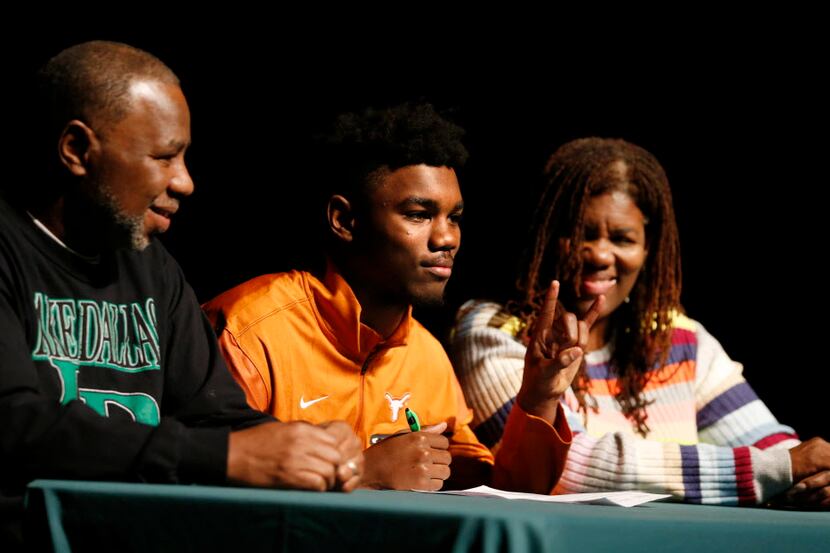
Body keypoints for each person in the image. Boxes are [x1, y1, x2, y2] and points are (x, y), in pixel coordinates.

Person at [0, 40, 362, 545]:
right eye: (164, 157)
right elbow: (15, 425)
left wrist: (301, 443)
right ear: (77, 150)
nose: (186, 182)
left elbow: (214, 413)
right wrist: (226, 457)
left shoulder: (153, 268)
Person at [203, 103, 599, 492]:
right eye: (418, 214)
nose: (447, 239)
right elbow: (200, 490)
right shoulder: (249, 331)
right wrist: (358, 471)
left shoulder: (425, 356)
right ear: (344, 220)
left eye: (454, 218)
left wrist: (538, 398)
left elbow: (497, 494)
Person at [452, 137, 830, 507]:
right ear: (547, 236)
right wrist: (779, 468)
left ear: (648, 249)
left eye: (622, 238)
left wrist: (814, 477)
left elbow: (772, 445)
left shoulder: (680, 339)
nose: (600, 254)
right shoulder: (493, 331)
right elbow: (571, 467)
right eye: (581, 234)